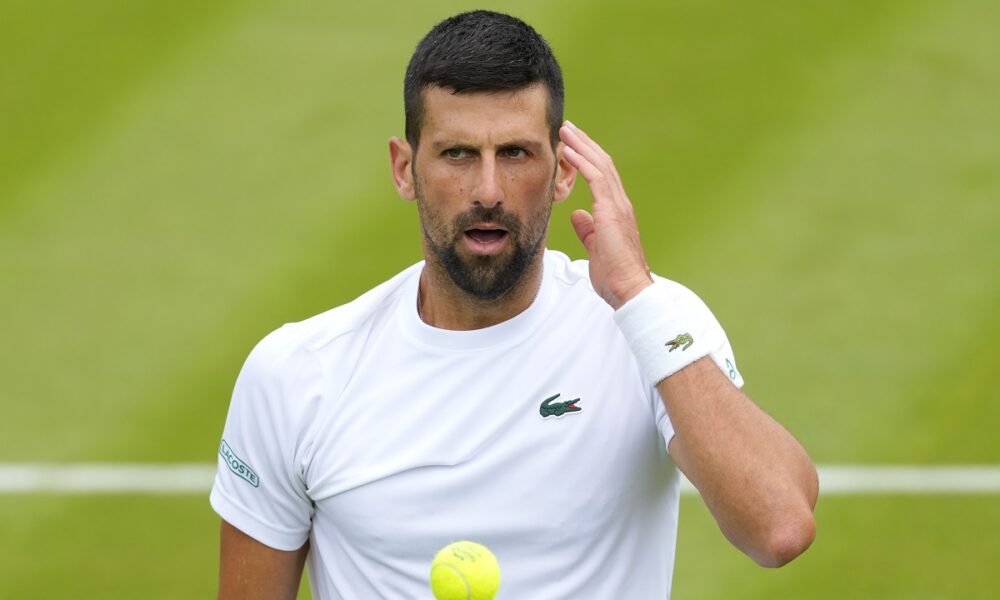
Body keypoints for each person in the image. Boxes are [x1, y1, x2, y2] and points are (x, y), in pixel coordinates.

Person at [211, 10, 818, 599]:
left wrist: (635, 292)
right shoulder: (296, 375)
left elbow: (779, 527)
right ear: (404, 168)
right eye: (457, 154)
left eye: (516, 154)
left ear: (563, 172)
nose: (488, 191)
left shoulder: (652, 329)